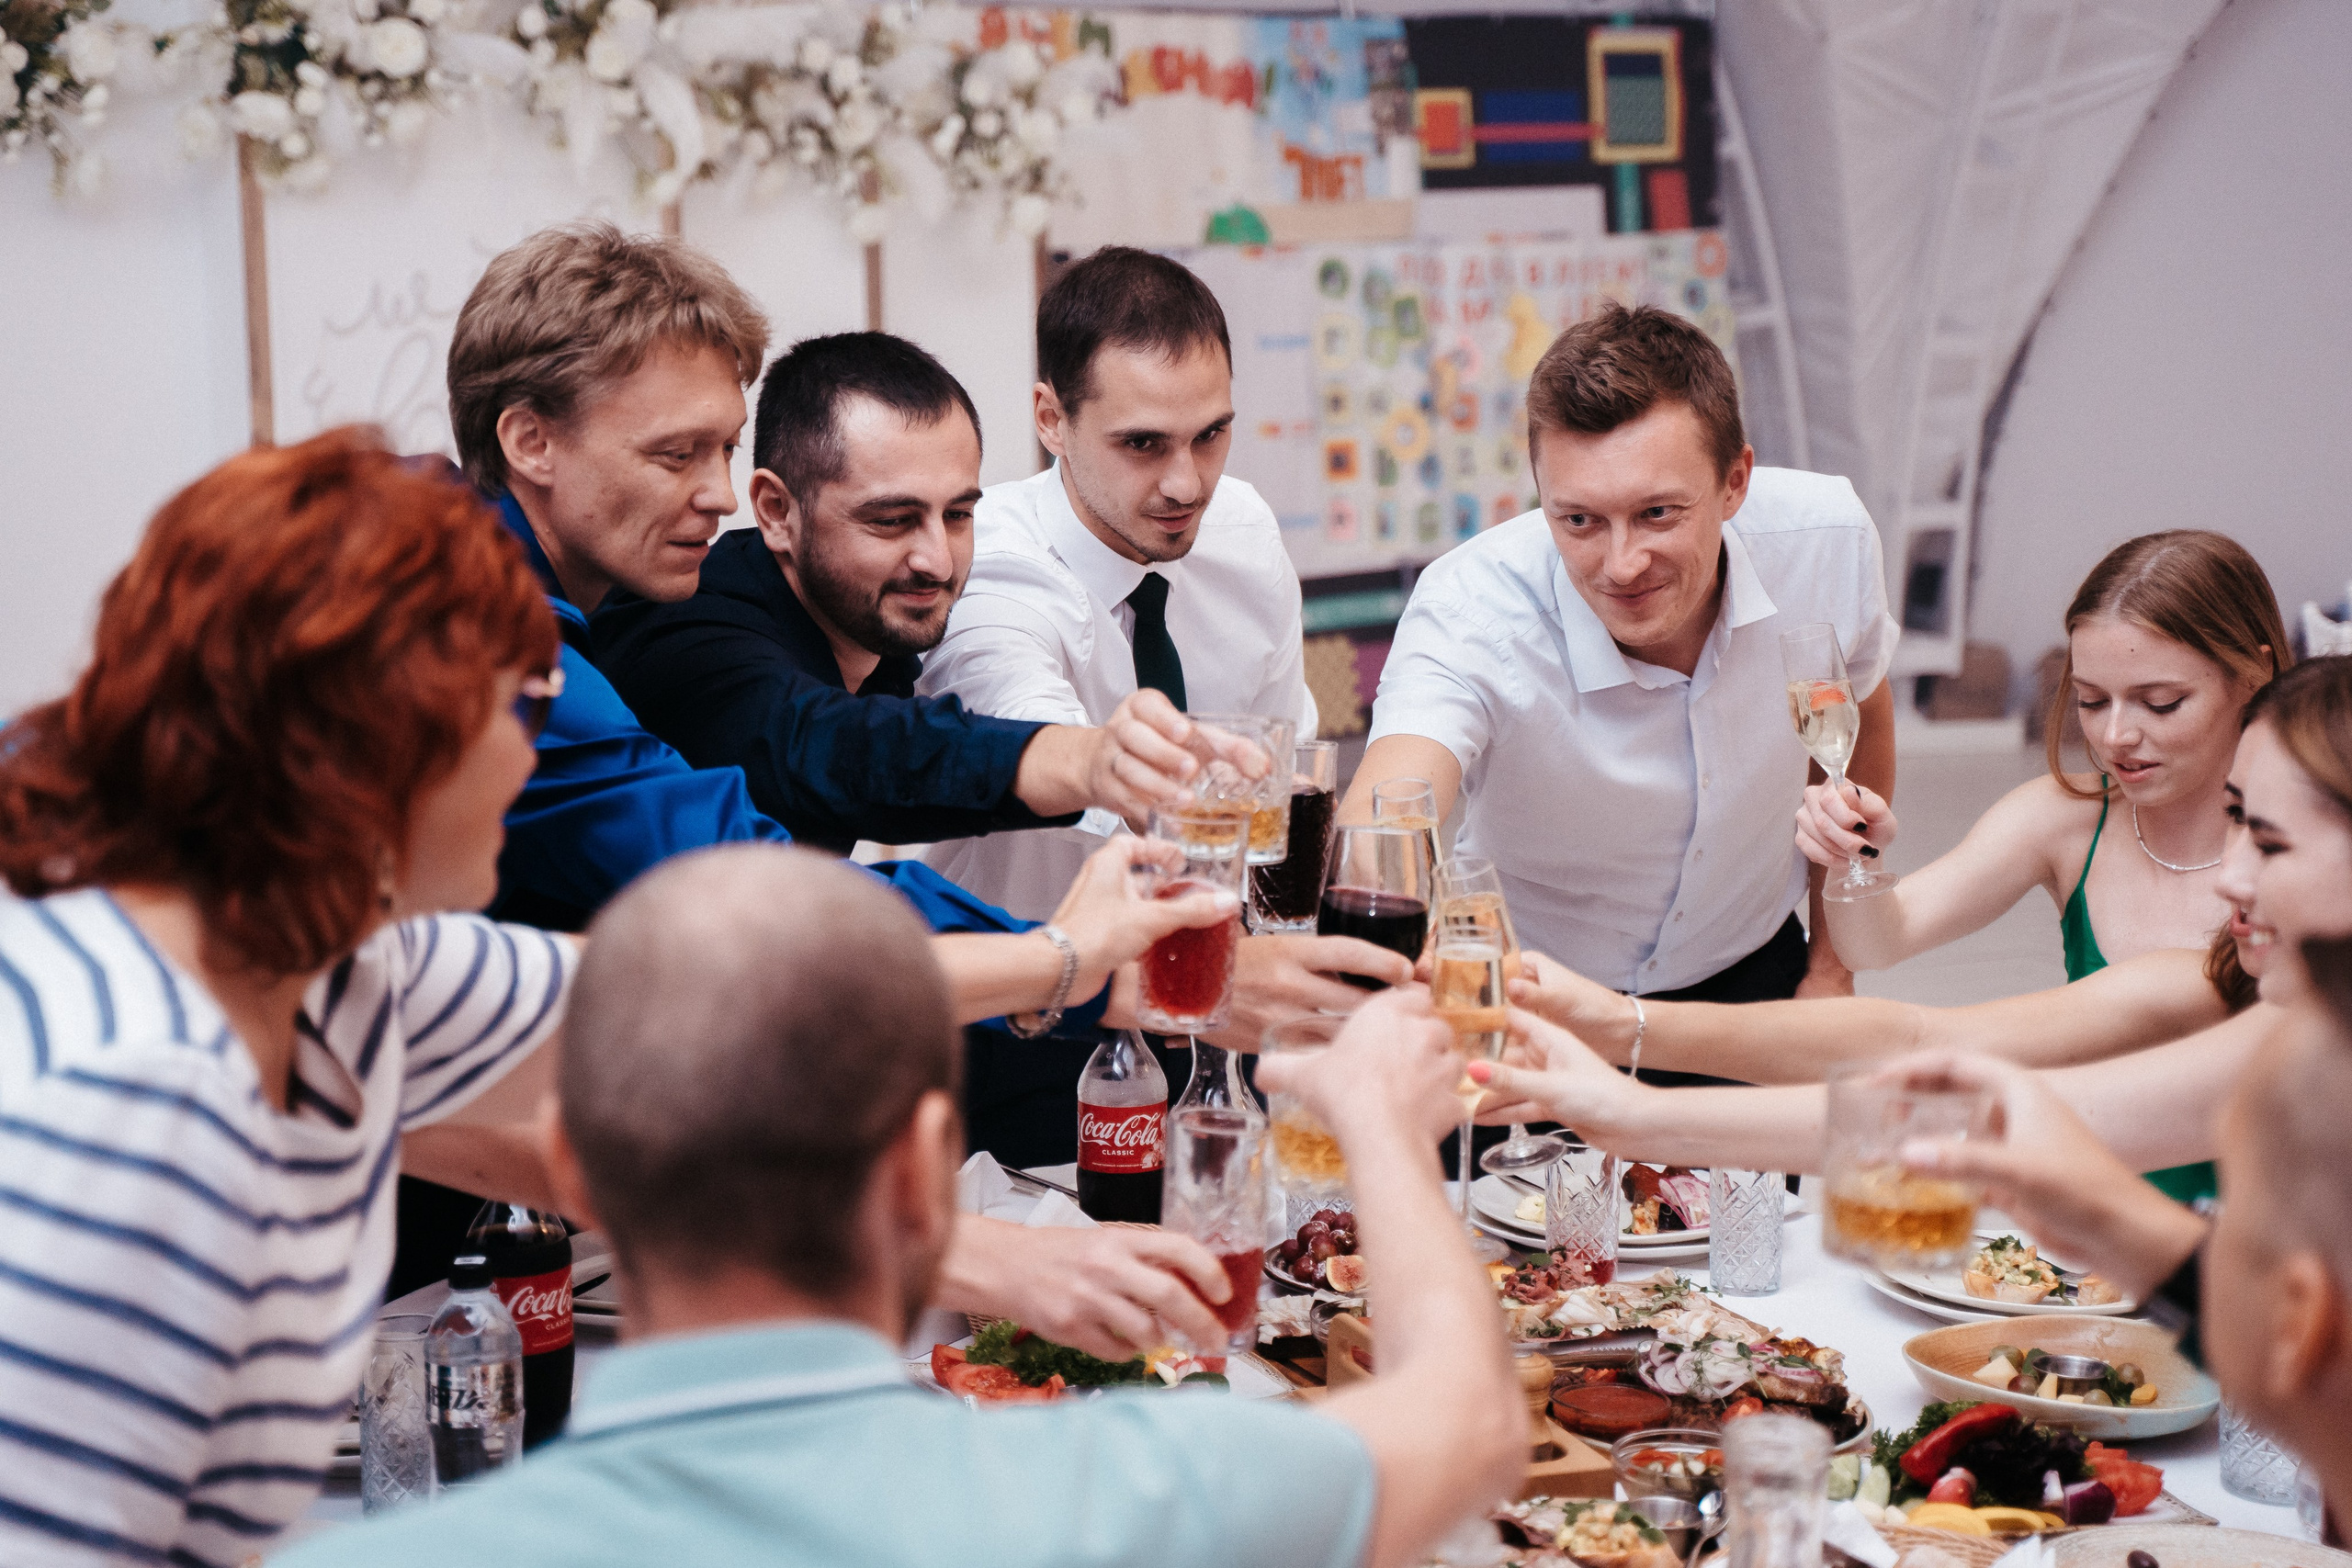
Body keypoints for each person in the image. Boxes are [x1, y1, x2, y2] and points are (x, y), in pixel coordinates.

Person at [440, 221, 1397, 1191]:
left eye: (721, 449)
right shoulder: (500, 639)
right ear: (530, 440)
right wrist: (1087, 890)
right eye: (674, 454)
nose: (713, 494)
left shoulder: (637, 599)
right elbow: (796, 837)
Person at [274, 846, 1522, 1568]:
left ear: (570, 1172)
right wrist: (1381, 1126)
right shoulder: (1139, 1493)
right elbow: (1466, 1422)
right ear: (932, 1170)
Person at [0, 432, 580, 1564]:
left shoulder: (337, 964)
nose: (528, 763)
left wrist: (1042, 961)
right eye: (524, 710)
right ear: (380, 736)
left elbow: (682, 995)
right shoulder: (139, 1102)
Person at [1466, 656, 2352, 1187]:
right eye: (2236, 821)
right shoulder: (2232, 998)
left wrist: (1630, 1098)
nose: (2228, 877)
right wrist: (1622, 1040)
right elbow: (1929, 1056)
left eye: (2269, 841)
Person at [1343, 303, 1899, 1051]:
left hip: (1750, 981)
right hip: (1530, 1001)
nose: (1621, 563)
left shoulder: (1825, 540)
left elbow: (1862, 722)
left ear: (1735, 481)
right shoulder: (1470, 607)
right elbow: (1390, 810)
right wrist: (1380, 904)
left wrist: (1832, 969)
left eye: (1658, 513)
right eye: (1579, 520)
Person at [594, 330, 1239, 856]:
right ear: (775, 511)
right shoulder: (684, 626)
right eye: (892, 520)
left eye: (957, 515)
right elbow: (837, 748)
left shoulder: (881, 631)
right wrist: (1092, 759)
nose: (936, 560)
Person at [917, 245, 1319, 923]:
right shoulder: (987, 562)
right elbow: (1037, 730)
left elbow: (1286, 767)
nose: (1187, 484)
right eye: (1143, 444)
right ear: (1051, 420)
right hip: (1033, 999)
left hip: (1218, 984)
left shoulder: (1243, 530)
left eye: (1211, 434)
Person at [1797, 531, 2287, 997]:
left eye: (2160, 702)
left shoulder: (2322, 834)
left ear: (2253, 674)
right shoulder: (2064, 817)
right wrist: (1853, 858)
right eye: (2092, 701)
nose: (2115, 737)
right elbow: (1877, 944)